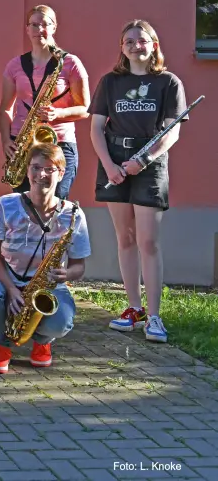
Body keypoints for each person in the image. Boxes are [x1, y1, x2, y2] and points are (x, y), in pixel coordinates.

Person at [90, 19, 187, 344]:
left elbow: (172, 131)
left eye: (141, 40)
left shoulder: (169, 82)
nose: (135, 45)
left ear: (153, 44)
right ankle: (134, 308)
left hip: (149, 166)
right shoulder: (110, 82)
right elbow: (96, 128)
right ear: (122, 48)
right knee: (125, 239)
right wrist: (111, 165)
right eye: (128, 41)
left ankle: (155, 316)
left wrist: (141, 161)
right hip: (114, 164)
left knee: (148, 242)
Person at [0, 143, 90, 374]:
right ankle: (1, 345)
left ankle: (42, 342)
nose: (41, 175)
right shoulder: (6, 204)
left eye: (49, 169)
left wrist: (67, 274)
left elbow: (79, 267)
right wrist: (11, 289)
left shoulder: (72, 214)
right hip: (10, 278)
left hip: (47, 285)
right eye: (35, 168)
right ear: (27, 171)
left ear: (61, 173)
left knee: (62, 320)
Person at [0, 5, 90, 199]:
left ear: (54, 27)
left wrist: (58, 114)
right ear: (27, 29)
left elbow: (85, 108)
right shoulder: (15, 65)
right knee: (25, 206)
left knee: (56, 204)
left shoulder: (70, 63)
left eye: (45, 24)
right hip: (22, 144)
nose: (39, 29)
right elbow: (5, 108)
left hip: (60, 143)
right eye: (34, 25)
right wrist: (6, 140)